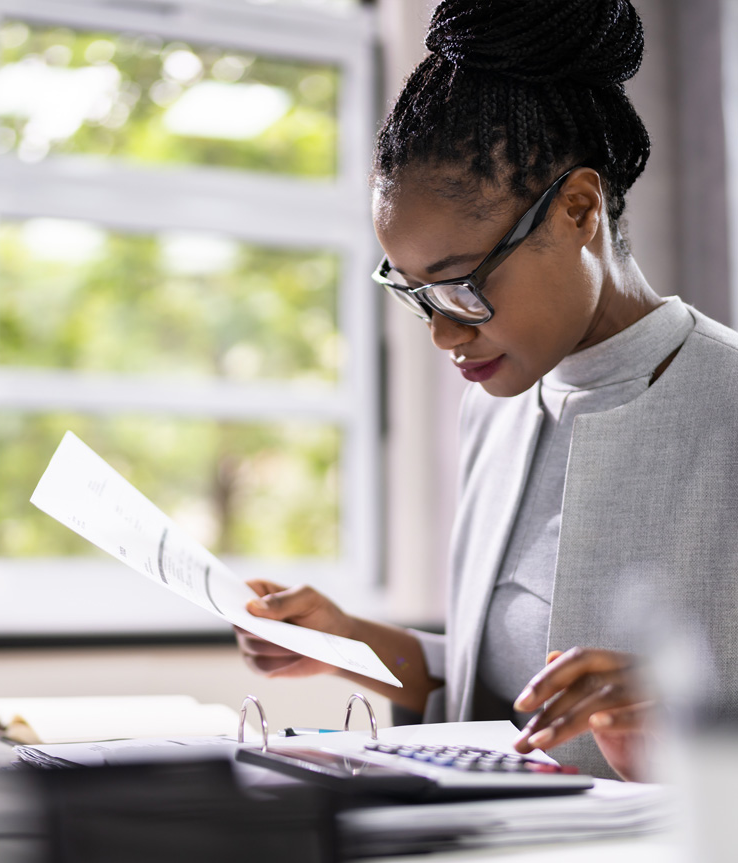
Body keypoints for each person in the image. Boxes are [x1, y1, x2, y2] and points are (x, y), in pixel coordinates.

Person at [236, 0, 738, 781]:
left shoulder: (724, 402)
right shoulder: (498, 410)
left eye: (462, 285)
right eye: (416, 294)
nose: (443, 331)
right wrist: (339, 636)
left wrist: (682, 719)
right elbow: (495, 694)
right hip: (498, 861)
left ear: (578, 212)